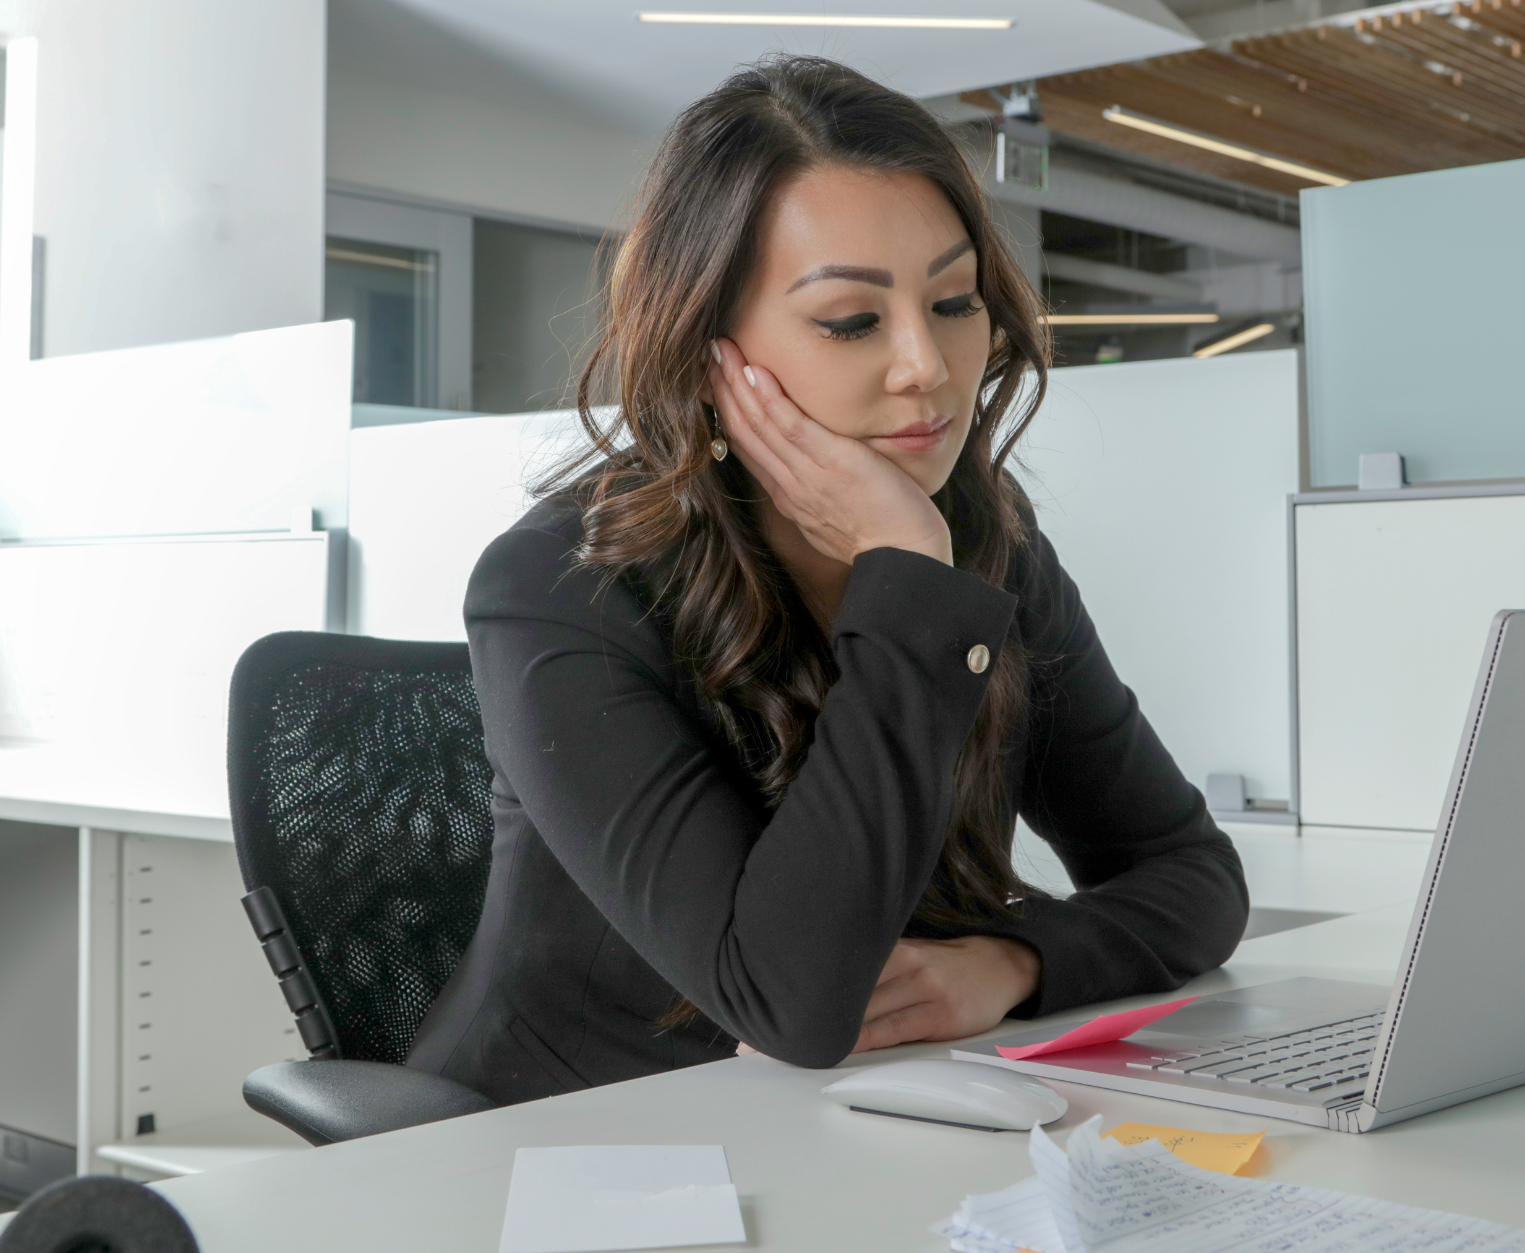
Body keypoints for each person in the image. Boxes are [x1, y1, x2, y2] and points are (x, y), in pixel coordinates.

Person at [406, 55, 1250, 1106]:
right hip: (562, 1142)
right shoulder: (559, 585)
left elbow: (1194, 876)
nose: (926, 366)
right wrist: (901, 576)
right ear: (709, 352)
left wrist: (1016, 962)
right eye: (850, 321)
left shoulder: (991, 550)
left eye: (952, 301)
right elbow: (791, 999)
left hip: (855, 1121)